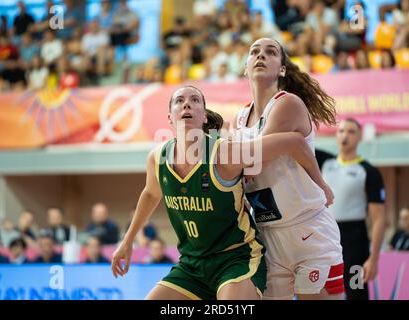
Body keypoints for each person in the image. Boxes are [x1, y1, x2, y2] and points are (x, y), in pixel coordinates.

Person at [112, 85, 329, 300]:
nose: (186, 103)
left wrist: (322, 186)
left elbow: (293, 141)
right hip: (192, 264)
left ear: (204, 117)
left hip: (236, 258)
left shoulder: (224, 153)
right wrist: (127, 240)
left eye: (195, 100)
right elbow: (151, 194)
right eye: (179, 100)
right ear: (170, 117)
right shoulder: (157, 158)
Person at [234, 37, 343, 300]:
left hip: (308, 229)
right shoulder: (239, 117)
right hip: (268, 234)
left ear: (282, 69)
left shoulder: (287, 103)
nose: (260, 56)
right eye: (254, 52)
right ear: (245, 66)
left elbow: (251, 162)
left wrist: (226, 157)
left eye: (270, 52)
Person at [316, 118, 386, 300]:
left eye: (351, 131)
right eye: (341, 131)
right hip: (326, 238)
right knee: (323, 292)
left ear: (360, 136)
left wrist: (374, 258)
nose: (345, 135)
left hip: (355, 241)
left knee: (356, 291)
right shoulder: (325, 163)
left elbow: (378, 219)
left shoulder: (368, 171)